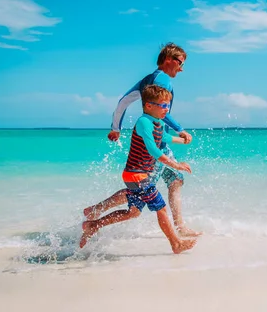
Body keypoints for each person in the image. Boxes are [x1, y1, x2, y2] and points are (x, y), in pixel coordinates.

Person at [83, 43, 201, 237]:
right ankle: (97, 211)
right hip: (154, 148)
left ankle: (180, 226)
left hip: (159, 142)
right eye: (180, 63)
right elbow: (162, 114)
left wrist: (115, 128)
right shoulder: (161, 80)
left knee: (176, 181)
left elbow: (123, 101)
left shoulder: (149, 79)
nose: (181, 68)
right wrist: (180, 130)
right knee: (138, 196)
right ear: (168, 60)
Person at [79, 84, 197, 253]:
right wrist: (177, 165)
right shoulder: (144, 122)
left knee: (133, 212)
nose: (167, 109)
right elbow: (154, 151)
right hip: (137, 176)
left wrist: (182, 139)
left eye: (168, 105)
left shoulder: (157, 123)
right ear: (149, 106)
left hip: (137, 177)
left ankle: (93, 225)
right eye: (163, 105)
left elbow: (164, 137)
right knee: (161, 208)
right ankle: (175, 244)